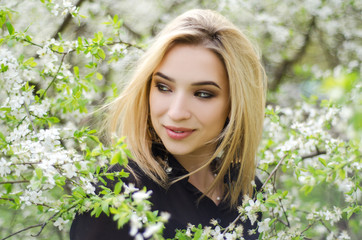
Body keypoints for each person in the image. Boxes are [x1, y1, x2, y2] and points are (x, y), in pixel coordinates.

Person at [70, 9, 266, 240]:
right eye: (163, 87)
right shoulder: (118, 190)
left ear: (235, 104)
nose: (176, 112)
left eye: (203, 93)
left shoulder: (248, 191)